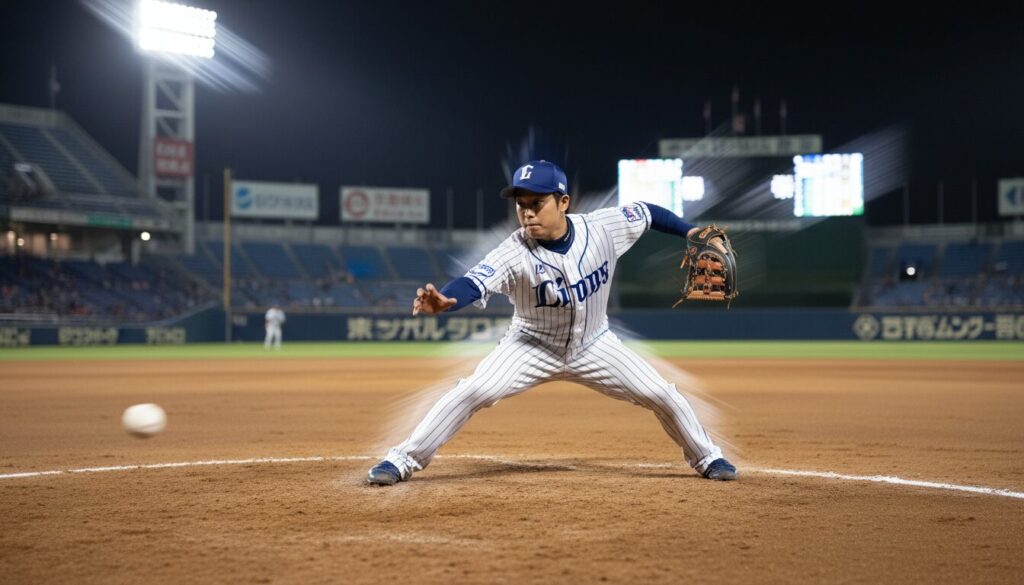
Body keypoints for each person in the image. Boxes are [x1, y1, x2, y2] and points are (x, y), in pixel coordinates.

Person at [367, 160, 737, 485]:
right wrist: (447, 301)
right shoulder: (513, 252)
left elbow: (649, 212)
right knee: (473, 391)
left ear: (563, 202)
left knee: (661, 393)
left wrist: (690, 231)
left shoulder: (603, 227)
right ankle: (402, 459)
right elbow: (472, 282)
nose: (527, 213)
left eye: (537, 203)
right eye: (521, 205)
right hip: (530, 346)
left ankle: (708, 458)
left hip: (595, 344)